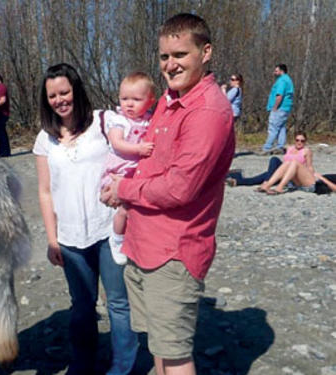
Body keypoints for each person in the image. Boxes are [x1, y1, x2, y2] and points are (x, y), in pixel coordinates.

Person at [102, 14, 234, 375]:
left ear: (205, 52)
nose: (170, 65)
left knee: (175, 356)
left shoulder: (207, 110)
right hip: (143, 244)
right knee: (159, 347)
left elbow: (181, 187)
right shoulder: (169, 99)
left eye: (180, 54)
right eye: (164, 57)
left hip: (173, 252)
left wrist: (123, 189)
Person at [34, 63, 137, 375]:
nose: (60, 99)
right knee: (81, 307)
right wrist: (52, 240)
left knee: (118, 303)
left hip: (108, 230)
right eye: (52, 95)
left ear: (76, 90)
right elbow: (45, 192)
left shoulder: (104, 122)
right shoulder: (44, 139)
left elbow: (135, 152)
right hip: (70, 238)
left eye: (64, 91)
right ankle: (83, 363)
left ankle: (124, 362)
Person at [99, 72, 156, 264]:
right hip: (119, 170)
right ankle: (116, 239)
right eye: (124, 99)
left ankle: (132, 238)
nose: (129, 104)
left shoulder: (150, 120)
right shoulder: (120, 120)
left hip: (135, 173)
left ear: (150, 101)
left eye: (136, 99)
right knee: (123, 209)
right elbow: (116, 143)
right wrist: (138, 148)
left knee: (136, 209)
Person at [261, 64, 294, 155]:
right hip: (286, 108)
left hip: (279, 108)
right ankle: (280, 146)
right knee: (281, 128)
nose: (274, 72)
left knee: (273, 128)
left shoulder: (282, 81)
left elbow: (279, 95)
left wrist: (275, 107)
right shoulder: (288, 79)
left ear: (281, 71)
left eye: (276, 71)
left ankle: (267, 147)